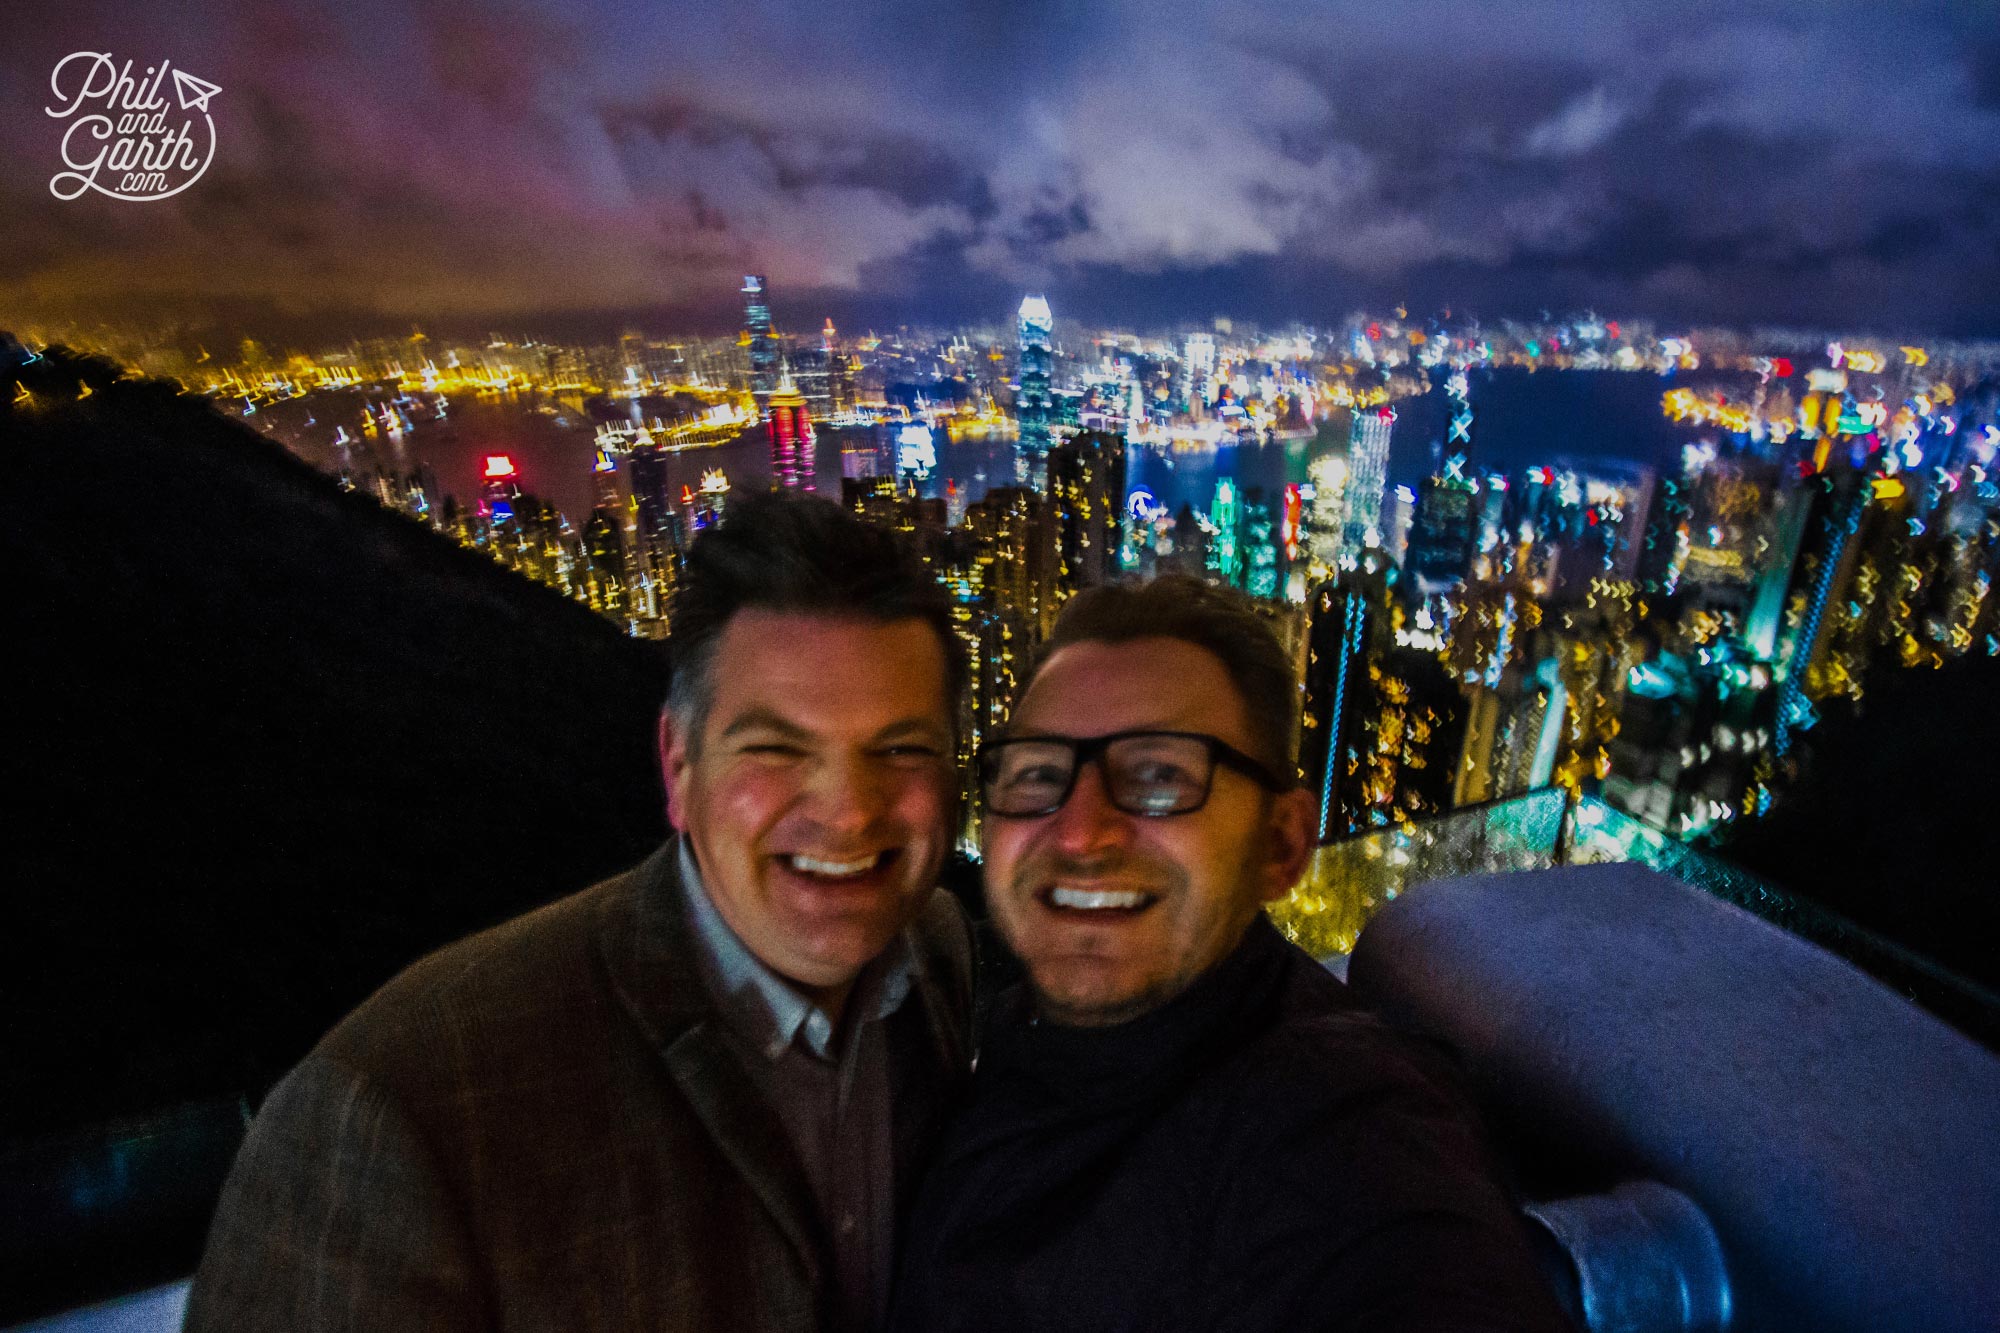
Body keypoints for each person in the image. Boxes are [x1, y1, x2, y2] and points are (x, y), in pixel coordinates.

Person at [186, 492, 975, 1332]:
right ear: (678, 768)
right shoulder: (399, 1109)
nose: (850, 811)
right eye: (776, 747)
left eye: (900, 748)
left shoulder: (934, 956)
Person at [891, 576, 1570, 1333]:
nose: (1080, 832)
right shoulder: (978, 1011)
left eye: (1160, 776)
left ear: (1282, 844)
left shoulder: (1342, 1133)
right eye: (1038, 775)